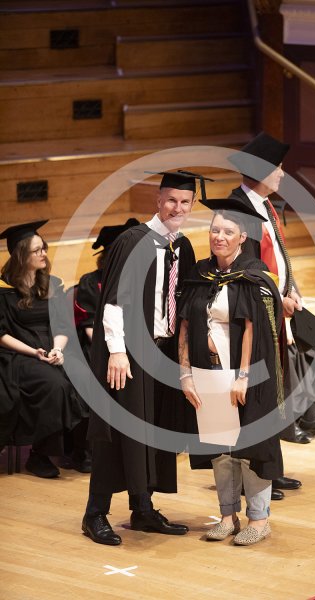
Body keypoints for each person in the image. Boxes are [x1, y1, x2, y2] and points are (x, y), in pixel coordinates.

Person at [82, 170, 206, 546]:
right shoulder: (132, 241)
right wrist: (117, 352)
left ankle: (143, 509)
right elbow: (113, 302)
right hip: (130, 353)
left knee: (154, 431)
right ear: (158, 200)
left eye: (185, 202)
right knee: (117, 430)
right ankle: (95, 513)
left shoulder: (182, 246)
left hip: (163, 353)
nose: (177, 208)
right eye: (171, 200)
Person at [227, 132, 315, 447]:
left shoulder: (267, 206)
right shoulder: (237, 210)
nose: (282, 174)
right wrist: (280, 301)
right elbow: (246, 270)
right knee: (288, 358)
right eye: (278, 168)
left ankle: (311, 415)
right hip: (258, 312)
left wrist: (293, 290)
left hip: (285, 304)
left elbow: (279, 256)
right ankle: (286, 421)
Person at [178, 202, 284, 546]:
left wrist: (243, 376)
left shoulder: (253, 274)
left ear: (242, 237)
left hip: (242, 374)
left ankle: (259, 519)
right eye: (214, 230)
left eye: (227, 231)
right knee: (220, 447)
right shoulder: (199, 274)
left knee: (250, 445)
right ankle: (227, 516)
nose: (219, 237)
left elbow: (253, 328)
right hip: (206, 371)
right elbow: (185, 325)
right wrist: (185, 374)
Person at [0, 220, 88, 478]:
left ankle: (79, 450)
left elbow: (62, 325)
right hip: (19, 354)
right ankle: (39, 455)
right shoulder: (4, 291)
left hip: (52, 350)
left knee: (83, 377)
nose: (44, 253)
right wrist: (34, 352)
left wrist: (57, 350)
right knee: (54, 384)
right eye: (37, 250)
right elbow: (2, 335)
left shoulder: (52, 284)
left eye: (44, 248)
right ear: (21, 256)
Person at [74, 218, 139, 363]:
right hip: (102, 350)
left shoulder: (139, 278)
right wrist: (117, 351)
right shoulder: (91, 282)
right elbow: (89, 326)